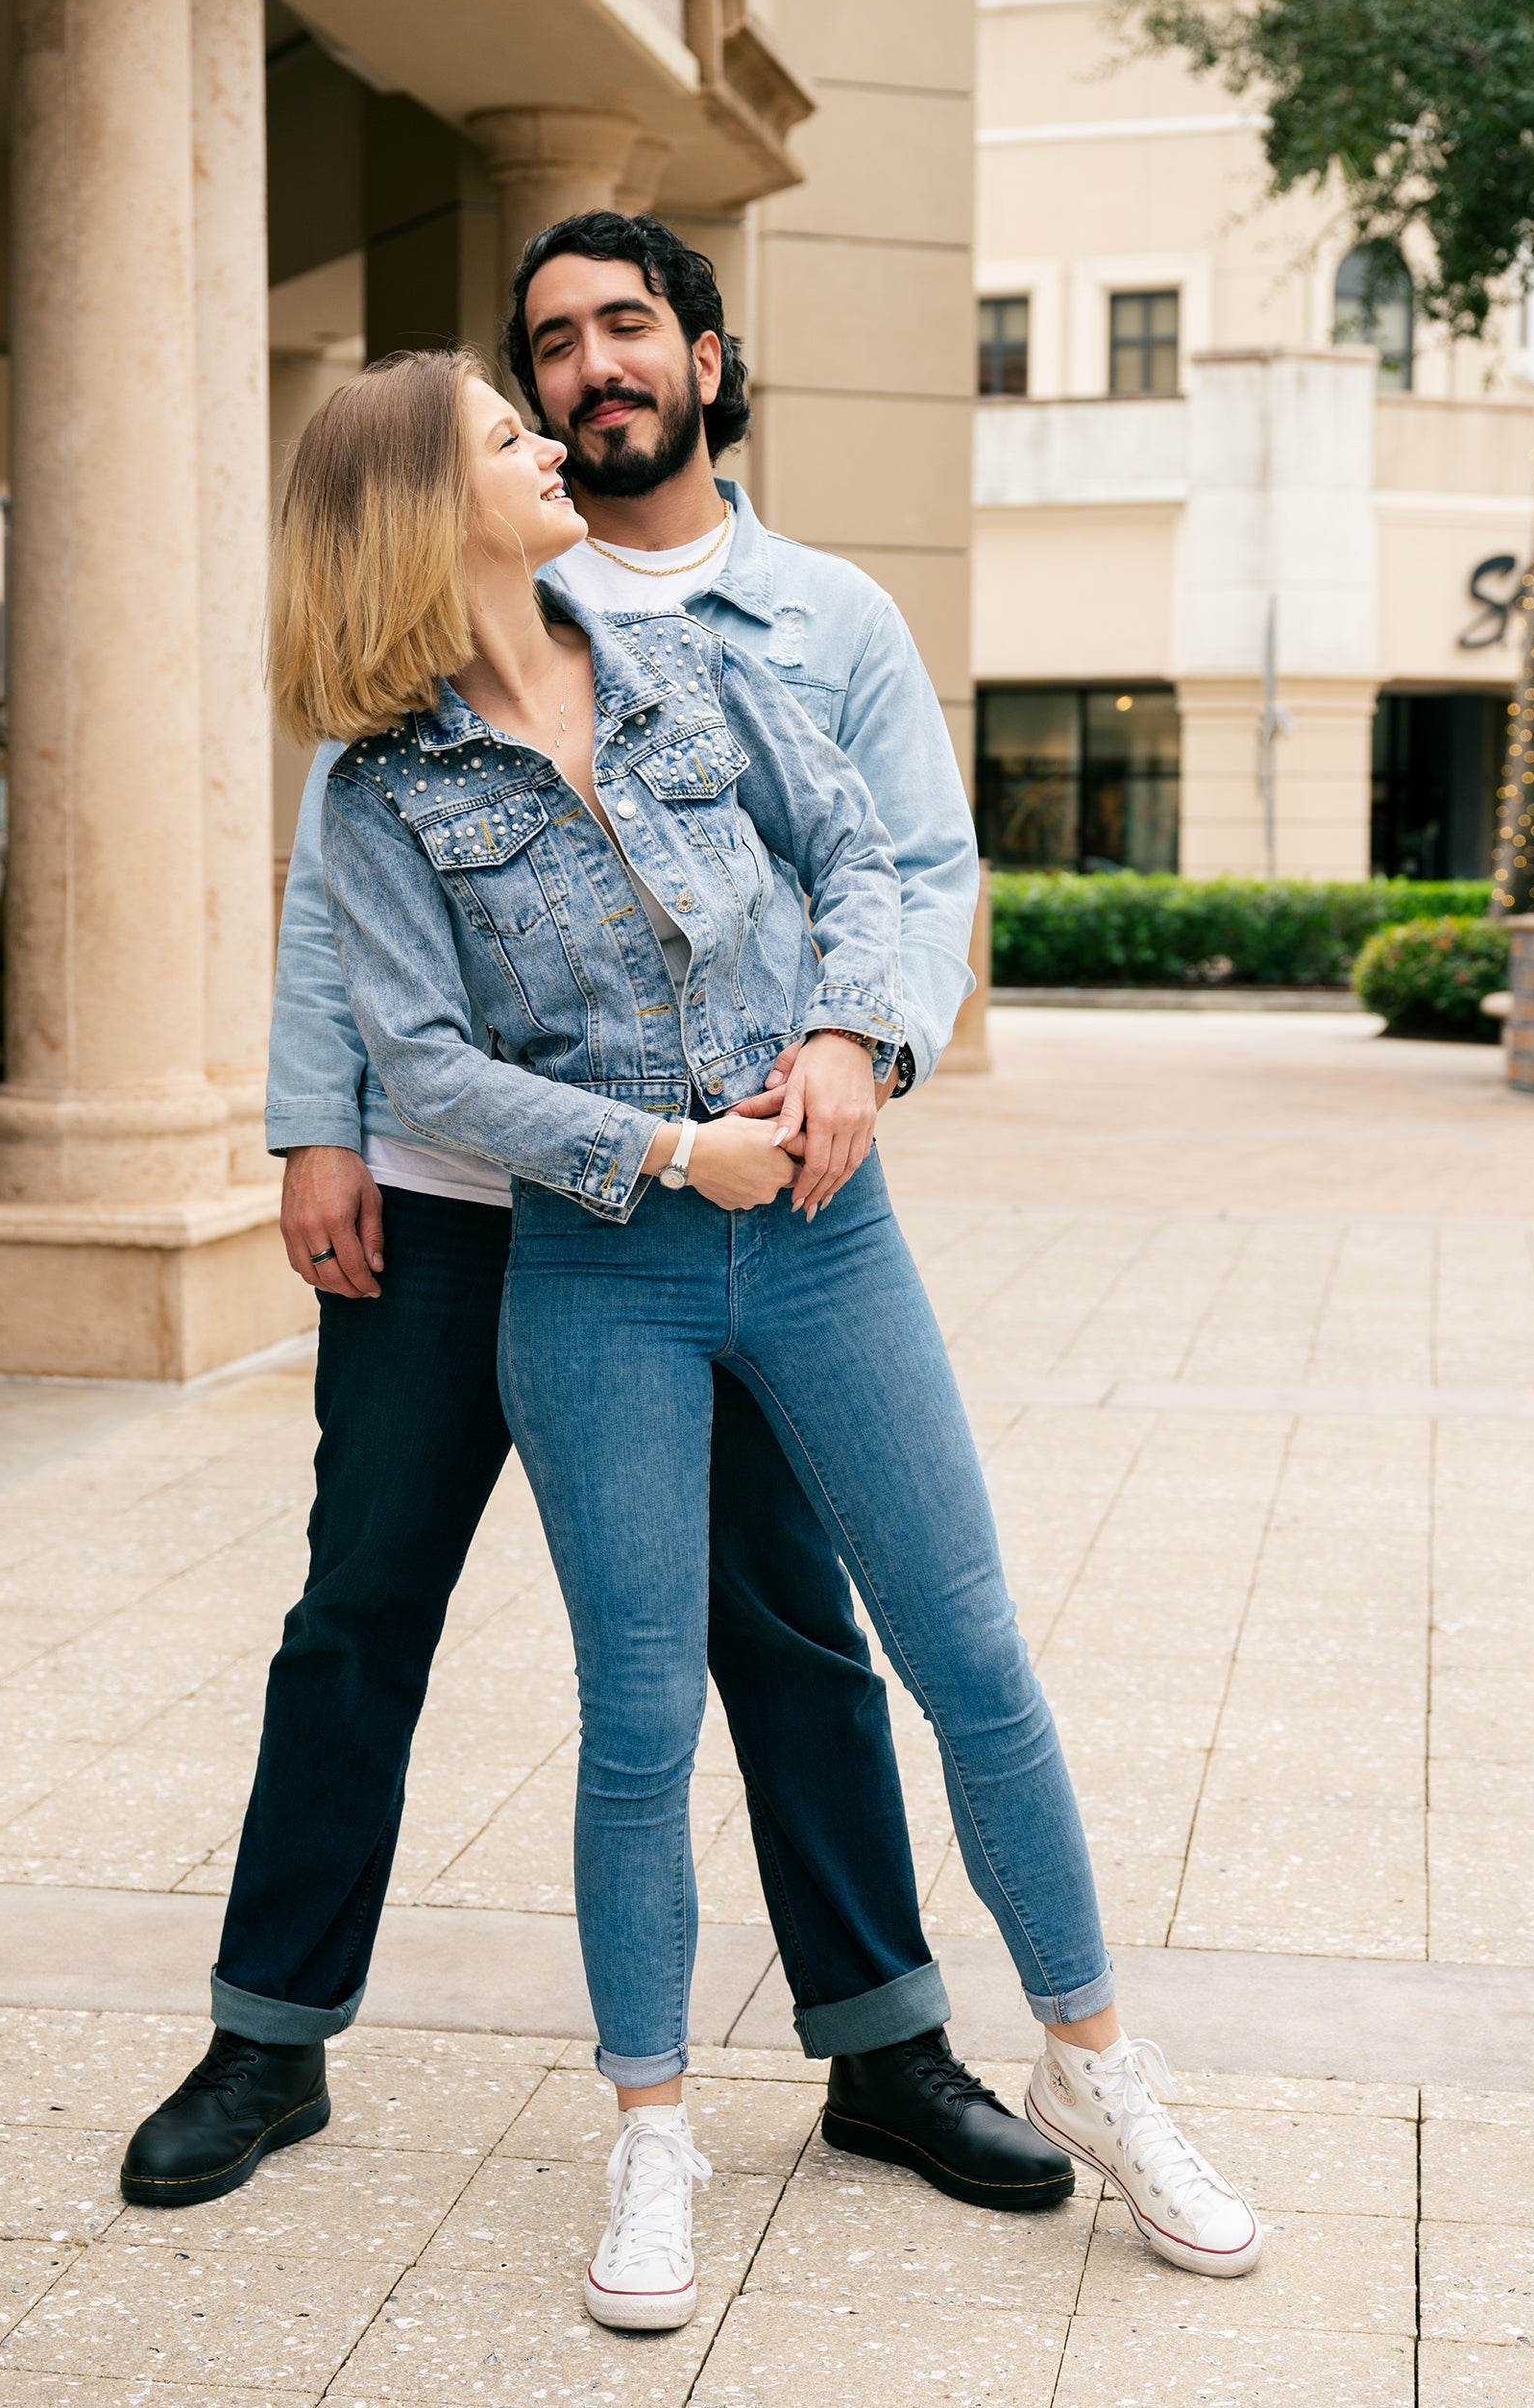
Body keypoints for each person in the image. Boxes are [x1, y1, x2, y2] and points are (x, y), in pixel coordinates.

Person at [265, 342, 1263, 2329]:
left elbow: (869, 863)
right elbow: (423, 1064)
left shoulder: (694, 665)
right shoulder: (381, 788)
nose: (548, 442)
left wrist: (845, 1034)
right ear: (416, 510)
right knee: (639, 1718)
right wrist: (656, 1149)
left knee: (970, 1654)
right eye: (500, 433)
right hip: (601, 1273)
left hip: (828, 1240)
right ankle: (651, 2132)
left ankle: (1094, 2059)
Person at [120, 217, 1071, 2225]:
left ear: (708, 355)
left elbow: (905, 858)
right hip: (455, 1207)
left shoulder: (798, 617)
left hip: (710, 1222)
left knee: (786, 1627)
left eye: (625, 324)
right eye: (548, 345)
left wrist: (856, 1059)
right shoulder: (411, 676)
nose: (586, 368)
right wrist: (313, 1124)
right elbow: (341, 895)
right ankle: (267, 2028)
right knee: (360, 1604)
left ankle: (883, 2041)